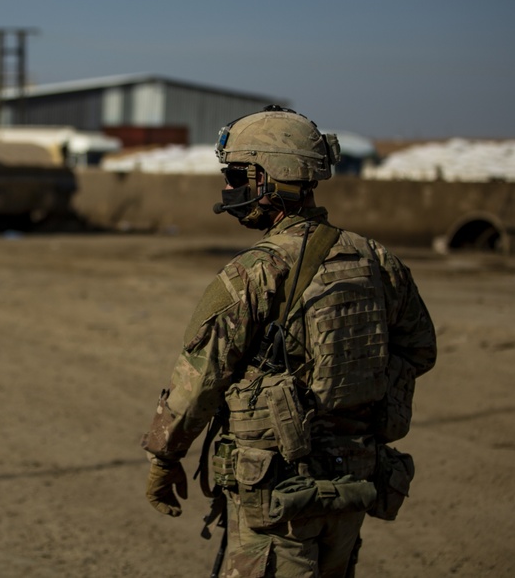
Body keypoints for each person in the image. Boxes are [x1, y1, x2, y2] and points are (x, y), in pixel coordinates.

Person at [141, 105, 437, 578]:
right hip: (352, 478)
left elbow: (198, 382)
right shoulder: (378, 260)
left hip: (275, 492)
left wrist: (165, 457)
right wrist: (351, 401)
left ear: (272, 178)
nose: (231, 188)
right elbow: (419, 349)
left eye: (239, 174)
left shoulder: (252, 273)